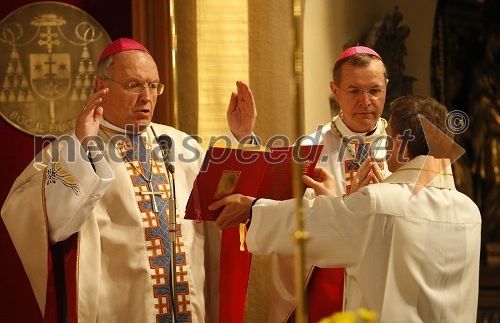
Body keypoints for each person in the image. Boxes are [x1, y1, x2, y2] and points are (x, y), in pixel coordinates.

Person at [1, 38, 256, 322]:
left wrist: (240, 139)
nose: (146, 96)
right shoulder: (72, 150)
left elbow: (225, 203)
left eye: (153, 85)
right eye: (134, 85)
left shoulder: (181, 145)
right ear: (101, 88)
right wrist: (84, 152)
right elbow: (46, 223)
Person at [213, 95, 482, 322]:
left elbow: (310, 226)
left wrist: (252, 209)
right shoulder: (470, 212)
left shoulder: (379, 202)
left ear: (400, 144)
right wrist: (338, 204)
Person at [214, 46, 390, 322]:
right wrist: (244, 138)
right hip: (324, 292)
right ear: (335, 91)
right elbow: (263, 203)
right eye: (354, 91)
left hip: (384, 286)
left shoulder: (403, 151)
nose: (366, 101)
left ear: (386, 88)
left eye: (375, 90)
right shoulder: (309, 148)